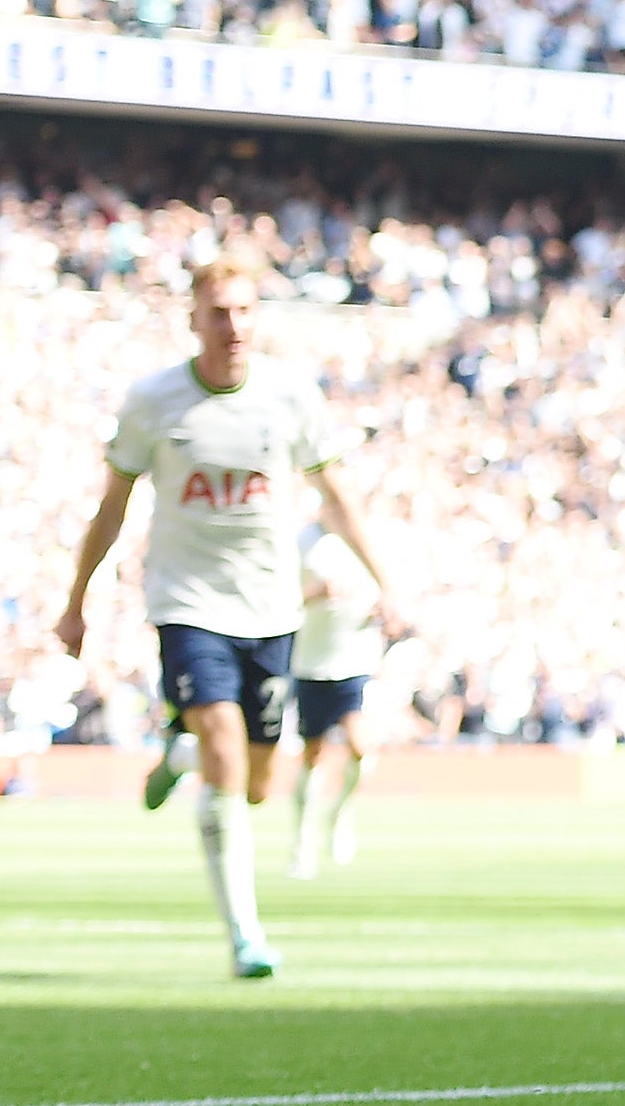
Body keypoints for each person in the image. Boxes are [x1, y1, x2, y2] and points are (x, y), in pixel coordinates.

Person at [55, 255, 403, 979]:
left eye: (245, 310)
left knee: (255, 783)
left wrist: (386, 583)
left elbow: (336, 495)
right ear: (193, 318)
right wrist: (75, 600)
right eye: (219, 311)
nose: (233, 325)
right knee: (222, 742)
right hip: (187, 602)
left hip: (272, 609)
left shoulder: (290, 397)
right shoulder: (154, 400)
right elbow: (112, 505)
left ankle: (177, 752)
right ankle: (246, 935)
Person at [286, 522, 382, 880]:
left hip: (354, 662)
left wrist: (381, 611)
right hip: (311, 663)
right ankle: (302, 842)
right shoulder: (303, 541)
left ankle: (340, 814)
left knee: (361, 747)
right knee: (314, 757)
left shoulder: (366, 539)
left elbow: (383, 594)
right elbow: (279, 597)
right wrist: (314, 594)